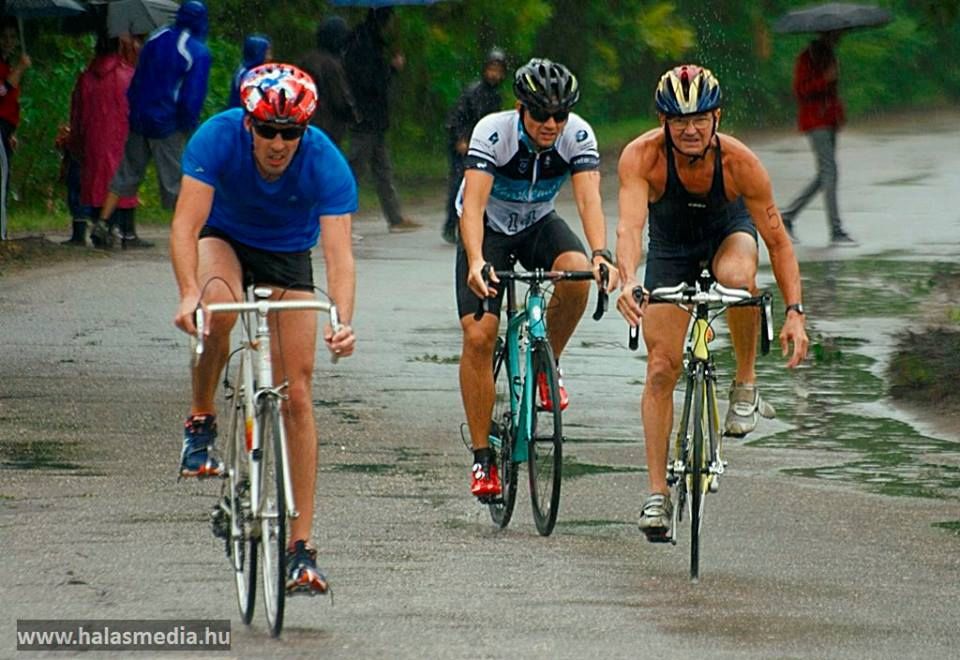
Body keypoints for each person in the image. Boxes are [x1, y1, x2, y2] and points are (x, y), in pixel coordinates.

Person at [170, 63, 357, 594]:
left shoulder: (325, 160)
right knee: (218, 310)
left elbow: (339, 257)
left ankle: (300, 550)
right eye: (268, 131)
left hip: (287, 254)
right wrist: (189, 292)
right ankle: (201, 421)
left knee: (298, 392)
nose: (278, 144)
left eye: (290, 133)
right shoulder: (216, 138)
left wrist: (341, 320)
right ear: (248, 123)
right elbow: (184, 226)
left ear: (304, 130)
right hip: (223, 239)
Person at [615, 64, 809, 540]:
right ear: (663, 121)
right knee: (661, 367)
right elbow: (630, 227)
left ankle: (745, 382)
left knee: (738, 279)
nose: (690, 130)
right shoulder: (642, 157)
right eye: (680, 120)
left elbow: (778, 242)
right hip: (671, 249)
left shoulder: (740, 163)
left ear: (716, 117)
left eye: (700, 118)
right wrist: (627, 280)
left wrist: (794, 312)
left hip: (728, 235)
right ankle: (657, 494)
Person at [458, 58, 617, 498]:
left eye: (560, 115)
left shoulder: (577, 135)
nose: (551, 124)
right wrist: (476, 259)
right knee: (479, 336)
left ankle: (548, 365)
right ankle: (482, 458)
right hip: (488, 229)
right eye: (542, 114)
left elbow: (588, 200)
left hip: (538, 223)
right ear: (520, 108)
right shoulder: (493, 132)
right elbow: (472, 205)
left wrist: (601, 253)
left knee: (578, 273)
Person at [92, 0, 212, 250]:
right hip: (168, 123)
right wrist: (188, 124)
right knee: (174, 181)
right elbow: (192, 95)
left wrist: (135, 109)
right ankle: (186, 234)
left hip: (139, 118)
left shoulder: (156, 38)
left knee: (126, 171)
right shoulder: (196, 51)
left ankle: (101, 223)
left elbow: (138, 78)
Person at [344, 7, 420, 233]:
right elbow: (370, 83)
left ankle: (394, 217)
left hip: (373, 119)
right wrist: (392, 69)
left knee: (382, 169)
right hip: (366, 118)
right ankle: (340, 215)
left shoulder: (367, 41)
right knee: (354, 170)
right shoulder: (364, 45)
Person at [780, 31, 856, 246]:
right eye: (835, 35)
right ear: (826, 35)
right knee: (829, 172)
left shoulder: (829, 55)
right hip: (815, 121)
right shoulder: (807, 57)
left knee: (826, 174)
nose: (839, 38)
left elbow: (831, 94)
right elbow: (800, 90)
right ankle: (836, 230)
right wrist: (825, 79)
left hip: (829, 120)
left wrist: (838, 115)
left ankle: (788, 215)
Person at [63, 33, 137, 246]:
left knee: (96, 183)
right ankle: (120, 229)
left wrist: (76, 143)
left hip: (93, 141)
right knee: (121, 179)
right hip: (122, 139)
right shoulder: (129, 76)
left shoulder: (86, 79)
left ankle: (99, 224)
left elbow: (77, 115)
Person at [442, 48, 507, 245]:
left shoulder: (496, 96)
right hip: (464, 145)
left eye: (498, 71)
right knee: (459, 185)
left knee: (481, 187)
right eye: (491, 69)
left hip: (482, 147)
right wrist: (461, 138)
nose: (494, 74)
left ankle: (473, 226)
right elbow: (457, 117)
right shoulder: (473, 92)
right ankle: (451, 225)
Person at [298, 16, 358, 148]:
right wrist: (354, 115)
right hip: (327, 128)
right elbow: (340, 99)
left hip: (304, 123)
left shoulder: (307, 60)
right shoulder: (331, 65)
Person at [0, 17, 30, 240]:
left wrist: (12, 132)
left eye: (12, 37)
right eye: (4, 37)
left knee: (5, 176)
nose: (8, 42)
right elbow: (2, 90)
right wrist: (20, 69)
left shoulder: (7, 64)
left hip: (6, 128)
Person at [226, 34, 271, 109]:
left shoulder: (245, 70)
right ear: (258, 53)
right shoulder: (250, 76)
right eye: (267, 53)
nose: (270, 58)